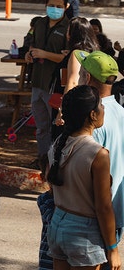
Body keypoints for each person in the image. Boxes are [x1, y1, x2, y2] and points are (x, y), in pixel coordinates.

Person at [45, 85, 120, 270]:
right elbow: (103, 207)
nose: (103, 110)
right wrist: (112, 248)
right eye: (101, 106)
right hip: (83, 232)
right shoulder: (97, 154)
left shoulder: (57, 145)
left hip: (57, 223)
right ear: (93, 115)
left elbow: (52, 186)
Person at [75, 50, 124, 270]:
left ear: (87, 78)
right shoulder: (120, 112)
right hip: (115, 212)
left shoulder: (94, 119)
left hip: (96, 215)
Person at [27, 0, 70, 169]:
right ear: (45, 5)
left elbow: (68, 58)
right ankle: (42, 158)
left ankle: (54, 162)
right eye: (51, 5)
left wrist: (45, 54)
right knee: (41, 127)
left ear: (66, 7)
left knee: (55, 127)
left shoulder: (69, 28)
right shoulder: (39, 24)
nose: (54, 9)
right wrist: (30, 54)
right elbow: (32, 45)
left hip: (54, 85)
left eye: (58, 6)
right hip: (37, 81)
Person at [51, 17, 99, 137]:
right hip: (86, 101)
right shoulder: (93, 52)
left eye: (68, 30)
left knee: (62, 142)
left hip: (71, 103)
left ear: (72, 34)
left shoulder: (75, 54)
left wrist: (62, 110)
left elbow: (72, 81)